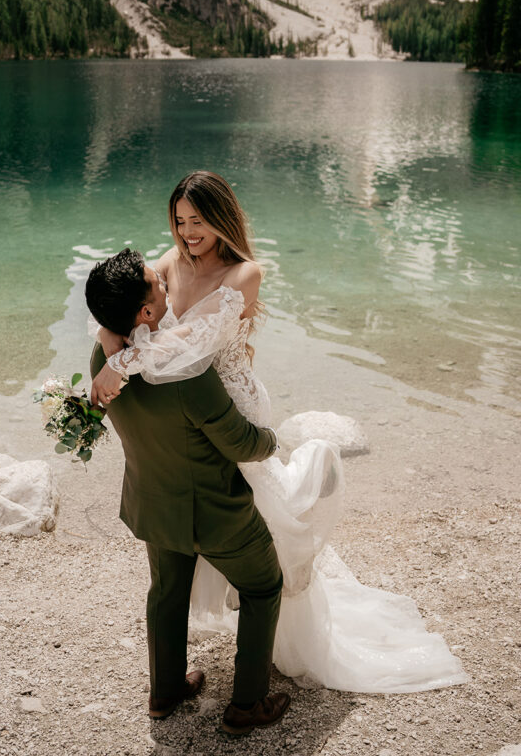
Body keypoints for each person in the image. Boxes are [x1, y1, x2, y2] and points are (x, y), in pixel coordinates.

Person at [90, 171, 469, 694]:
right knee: (225, 534)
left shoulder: (245, 274)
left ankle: (258, 649)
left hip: (227, 400)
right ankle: (239, 685)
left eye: (197, 222)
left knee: (263, 520)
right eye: (179, 221)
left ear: (221, 218)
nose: (186, 233)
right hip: (190, 397)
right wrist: (110, 332)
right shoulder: (172, 259)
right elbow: (128, 300)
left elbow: (190, 340)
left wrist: (121, 358)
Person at [86, 248, 291, 736]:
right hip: (215, 511)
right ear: (146, 312)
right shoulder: (188, 374)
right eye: (155, 282)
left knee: (167, 592)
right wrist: (274, 441)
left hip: (153, 500)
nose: (163, 278)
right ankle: (246, 706)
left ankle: (165, 692)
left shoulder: (105, 359)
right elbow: (240, 441)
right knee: (263, 587)